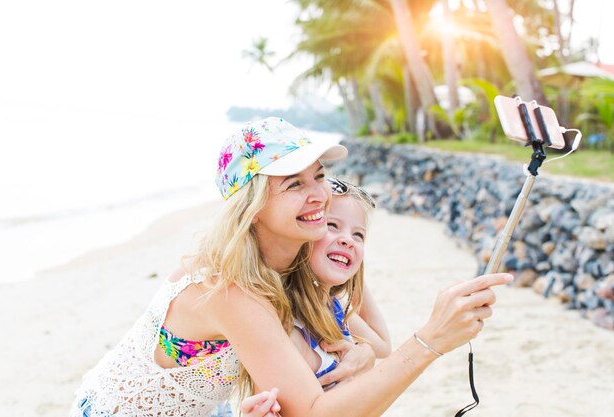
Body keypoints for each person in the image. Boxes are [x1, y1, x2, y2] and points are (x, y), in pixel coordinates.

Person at [70, 117, 512, 417]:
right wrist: (432, 339)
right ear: (253, 207)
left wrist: (355, 351)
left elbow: (367, 344)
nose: (318, 194)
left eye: (319, 176)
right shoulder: (229, 288)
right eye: (294, 184)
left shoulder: (295, 258)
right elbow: (315, 412)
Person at [286, 178, 391, 390]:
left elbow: (382, 347)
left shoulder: (331, 307)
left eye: (358, 235)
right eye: (332, 225)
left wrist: (352, 270)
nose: (348, 240)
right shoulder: (289, 320)